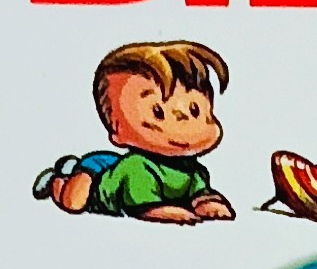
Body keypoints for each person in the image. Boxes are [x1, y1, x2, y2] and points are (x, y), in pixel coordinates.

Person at [33, 40, 235, 223]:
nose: (184, 124)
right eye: (158, 113)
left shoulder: (193, 170)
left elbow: (199, 193)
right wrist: (166, 212)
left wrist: (208, 204)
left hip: (114, 164)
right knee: (74, 201)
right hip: (97, 173)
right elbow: (144, 208)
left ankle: (70, 166)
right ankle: (56, 181)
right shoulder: (138, 168)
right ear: (118, 131)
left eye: (194, 110)